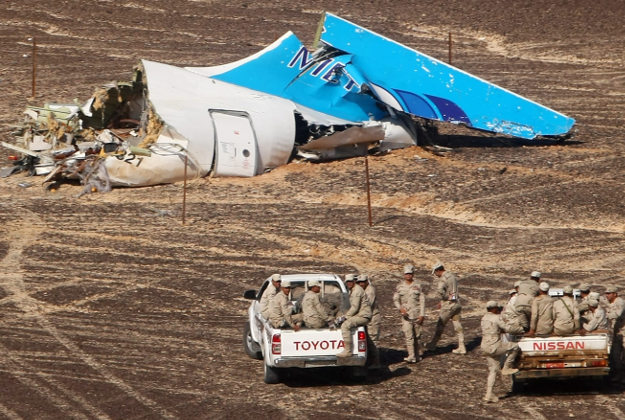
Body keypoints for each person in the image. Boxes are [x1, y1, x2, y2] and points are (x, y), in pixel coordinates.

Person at [480, 300, 520, 403]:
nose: (499, 310)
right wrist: (520, 329)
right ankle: (507, 367)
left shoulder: (484, 318)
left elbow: (493, 329)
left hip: (485, 346)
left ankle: (489, 394)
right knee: (515, 347)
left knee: (493, 370)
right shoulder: (496, 318)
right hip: (495, 346)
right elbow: (507, 328)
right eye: (498, 308)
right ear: (494, 309)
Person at [426, 262, 465, 354]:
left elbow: (440, 291)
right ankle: (462, 346)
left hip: (449, 305)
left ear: (438, 270)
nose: (435, 275)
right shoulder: (452, 275)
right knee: (458, 326)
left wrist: (445, 298)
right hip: (457, 303)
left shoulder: (443, 279)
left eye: (435, 272)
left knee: (440, 324)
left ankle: (433, 344)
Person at [393, 264, 426, 363]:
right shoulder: (400, 287)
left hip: (416, 314)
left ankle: (417, 354)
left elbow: (422, 301)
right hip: (406, 315)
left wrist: (422, 314)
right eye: (407, 274)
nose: (408, 276)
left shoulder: (418, 286)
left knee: (417, 336)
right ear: (404, 275)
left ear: (413, 274)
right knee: (409, 336)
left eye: (410, 274)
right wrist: (400, 309)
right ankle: (411, 355)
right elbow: (396, 299)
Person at [336, 276, 372, 358]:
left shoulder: (357, 291)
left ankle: (348, 351)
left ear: (354, 281)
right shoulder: (352, 290)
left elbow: (355, 307)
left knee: (345, 325)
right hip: (359, 314)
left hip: (363, 315)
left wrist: (346, 317)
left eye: (350, 281)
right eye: (347, 282)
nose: (348, 283)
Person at [357, 274, 381, 367]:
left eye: (362, 282)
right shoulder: (364, 290)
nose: (361, 284)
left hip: (373, 319)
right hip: (367, 317)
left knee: (373, 340)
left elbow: (368, 305)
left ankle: (376, 362)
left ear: (367, 281)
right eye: (359, 282)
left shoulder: (370, 291)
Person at [605, 286, 625, 382]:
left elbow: (618, 314)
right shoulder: (610, 303)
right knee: (615, 355)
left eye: (609, 293)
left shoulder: (620, 302)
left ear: (615, 294)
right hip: (616, 332)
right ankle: (618, 375)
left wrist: (605, 316)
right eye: (606, 293)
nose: (607, 295)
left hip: (623, 331)